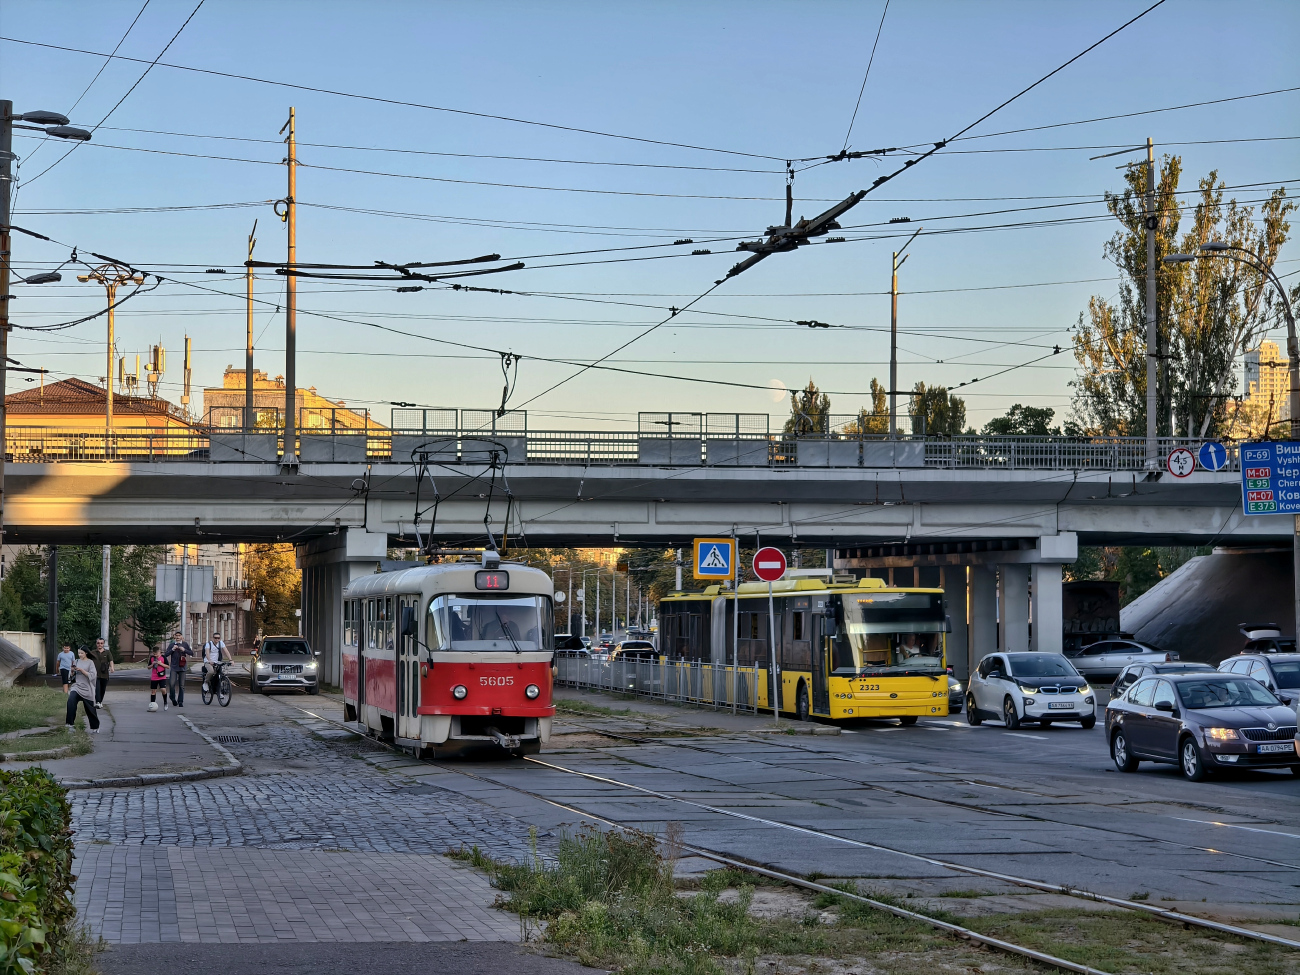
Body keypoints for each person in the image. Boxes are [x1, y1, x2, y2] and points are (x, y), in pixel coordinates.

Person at [66, 647, 101, 733]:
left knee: (90, 709)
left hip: (87, 688)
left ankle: (95, 726)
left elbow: (93, 676)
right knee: (71, 701)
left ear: (86, 653)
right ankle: (70, 724)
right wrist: (72, 671)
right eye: (79, 653)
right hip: (76, 686)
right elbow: (71, 676)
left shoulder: (90, 662)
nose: (80, 655)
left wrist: (82, 670)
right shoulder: (76, 661)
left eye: (81, 653)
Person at [166, 630, 191, 708]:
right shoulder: (171, 645)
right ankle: (172, 698)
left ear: (181, 637)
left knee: (181, 685)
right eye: (176, 635)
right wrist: (172, 649)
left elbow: (191, 653)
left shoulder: (185, 644)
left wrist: (184, 650)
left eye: (179, 635)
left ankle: (180, 701)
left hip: (182, 667)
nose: (177, 637)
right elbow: (166, 654)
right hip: (174, 667)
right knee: (172, 683)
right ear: (174, 637)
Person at [91, 637, 115, 708]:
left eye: (101, 643)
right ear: (96, 644)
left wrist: (112, 667)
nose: (100, 645)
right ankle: (98, 702)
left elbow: (111, 660)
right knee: (97, 688)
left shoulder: (107, 652)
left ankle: (100, 701)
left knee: (102, 689)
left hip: (104, 674)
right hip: (95, 674)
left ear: (103, 644)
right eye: (98, 643)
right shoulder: (93, 652)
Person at [148, 645, 169, 712]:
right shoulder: (152, 658)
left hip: (162, 676)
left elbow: (168, 666)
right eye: (154, 654)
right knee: (153, 691)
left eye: (156, 654)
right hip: (154, 677)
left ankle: (165, 702)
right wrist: (152, 664)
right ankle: (152, 705)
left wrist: (160, 663)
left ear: (160, 652)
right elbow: (148, 667)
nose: (155, 655)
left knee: (163, 689)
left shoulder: (163, 657)